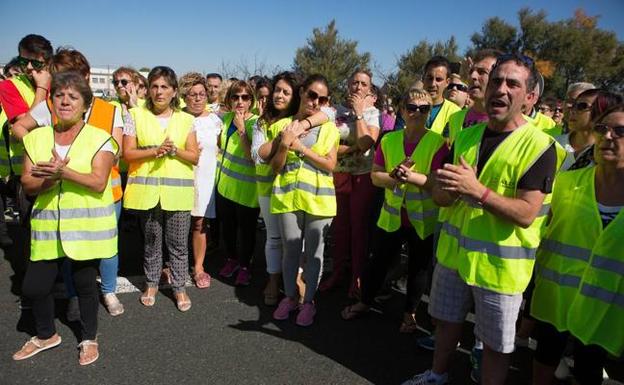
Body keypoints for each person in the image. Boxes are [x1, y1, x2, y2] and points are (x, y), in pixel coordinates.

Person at [402, 54, 563, 385]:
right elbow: (440, 194)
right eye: (496, 81)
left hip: (500, 271)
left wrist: (477, 191)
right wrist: (452, 192)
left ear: (530, 97)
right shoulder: (466, 136)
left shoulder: (540, 146)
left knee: (494, 346)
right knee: (446, 324)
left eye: (512, 84)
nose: (500, 89)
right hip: (453, 258)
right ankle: (437, 375)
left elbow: (527, 213)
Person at [11, 48, 126, 317]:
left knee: (107, 246)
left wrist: (87, 160)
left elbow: (117, 149)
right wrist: (38, 144)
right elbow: (19, 127)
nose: (64, 87)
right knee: (69, 247)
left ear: (86, 76)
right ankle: (75, 295)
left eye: (72, 76)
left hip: (104, 189)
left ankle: (108, 291)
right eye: (60, 77)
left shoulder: (111, 110)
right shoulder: (51, 105)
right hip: (58, 192)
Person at [531, 104, 624, 385]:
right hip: (556, 298)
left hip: (606, 309)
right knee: (545, 358)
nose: (608, 136)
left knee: (589, 369)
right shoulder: (565, 183)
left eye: (620, 131)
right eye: (602, 128)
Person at [341, 89, 448, 333]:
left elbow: (437, 183)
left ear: (430, 113)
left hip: (422, 221)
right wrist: (394, 180)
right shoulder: (388, 140)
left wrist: (412, 177)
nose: (417, 113)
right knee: (377, 262)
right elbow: (376, 176)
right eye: (412, 107)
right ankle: (365, 302)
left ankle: (410, 313)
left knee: (418, 269)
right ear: (402, 110)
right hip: (391, 217)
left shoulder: (438, 143)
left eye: (424, 109)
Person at [122, 66, 199, 311]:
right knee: (152, 241)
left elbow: (195, 156)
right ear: (148, 90)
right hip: (147, 194)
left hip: (177, 194)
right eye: (154, 86)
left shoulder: (186, 119)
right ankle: (152, 283)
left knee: (177, 243)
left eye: (165, 86)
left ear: (174, 91)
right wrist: (155, 151)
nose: (159, 91)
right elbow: (128, 153)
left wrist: (174, 150)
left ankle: (179, 287)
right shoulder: (134, 115)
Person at [252, 72, 332, 305]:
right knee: (275, 238)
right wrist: (284, 138)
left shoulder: (314, 115)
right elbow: (259, 157)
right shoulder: (264, 121)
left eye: (286, 91)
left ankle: (294, 280)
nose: (279, 95)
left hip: (297, 190)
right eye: (277, 90)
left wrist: (303, 124)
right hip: (269, 186)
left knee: (297, 243)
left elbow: (329, 113)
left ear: (296, 93)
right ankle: (274, 281)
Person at [270, 74, 339, 326]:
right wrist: (285, 145)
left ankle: (308, 302)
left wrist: (302, 149)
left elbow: (330, 163)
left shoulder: (329, 128)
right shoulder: (283, 126)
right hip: (287, 198)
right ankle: (289, 298)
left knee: (313, 254)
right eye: (311, 95)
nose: (315, 101)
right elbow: (275, 167)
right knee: (290, 252)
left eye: (322, 99)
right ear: (301, 93)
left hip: (320, 202)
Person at [320, 68, 379, 297]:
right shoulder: (335, 111)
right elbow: (328, 146)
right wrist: (351, 148)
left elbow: (366, 143)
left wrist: (359, 113)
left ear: (370, 89)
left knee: (359, 229)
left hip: (363, 177)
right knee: (340, 229)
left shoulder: (373, 113)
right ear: (348, 85)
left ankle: (357, 277)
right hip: (339, 175)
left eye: (364, 84)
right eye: (355, 83)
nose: (358, 87)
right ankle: (337, 272)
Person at [179, 72, 221, 289]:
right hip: (181, 176)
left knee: (199, 223)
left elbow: (221, 147)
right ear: (184, 97)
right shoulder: (177, 117)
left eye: (201, 94)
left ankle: (198, 266)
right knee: (177, 223)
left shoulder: (215, 120)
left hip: (205, 179)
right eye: (192, 94)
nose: (197, 98)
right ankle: (174, 264)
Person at [216, 80, 259, 286]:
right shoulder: (226, 120)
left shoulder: (257, 123)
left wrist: (242, 129)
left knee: (247, 231)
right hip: (225, 187)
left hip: (247, 191)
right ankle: (232, 260)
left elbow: (253, 157)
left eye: (245, 97)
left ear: (251, 100)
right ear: (229, 100)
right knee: (228, 230)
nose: (240, 101)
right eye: (235, 97)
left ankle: (245, 266)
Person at [557, 89, 623, 171]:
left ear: (602, 112)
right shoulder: (553, 143)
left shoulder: (607, 157)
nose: (572, 111)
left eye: (582, 106)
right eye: (573, 105)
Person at [422, 56, 461, 136]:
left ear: (447, 82)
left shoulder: (455, 113)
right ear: (423, 79)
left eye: (438, 79)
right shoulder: (409, 108)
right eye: (429, 78)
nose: (433, 84)